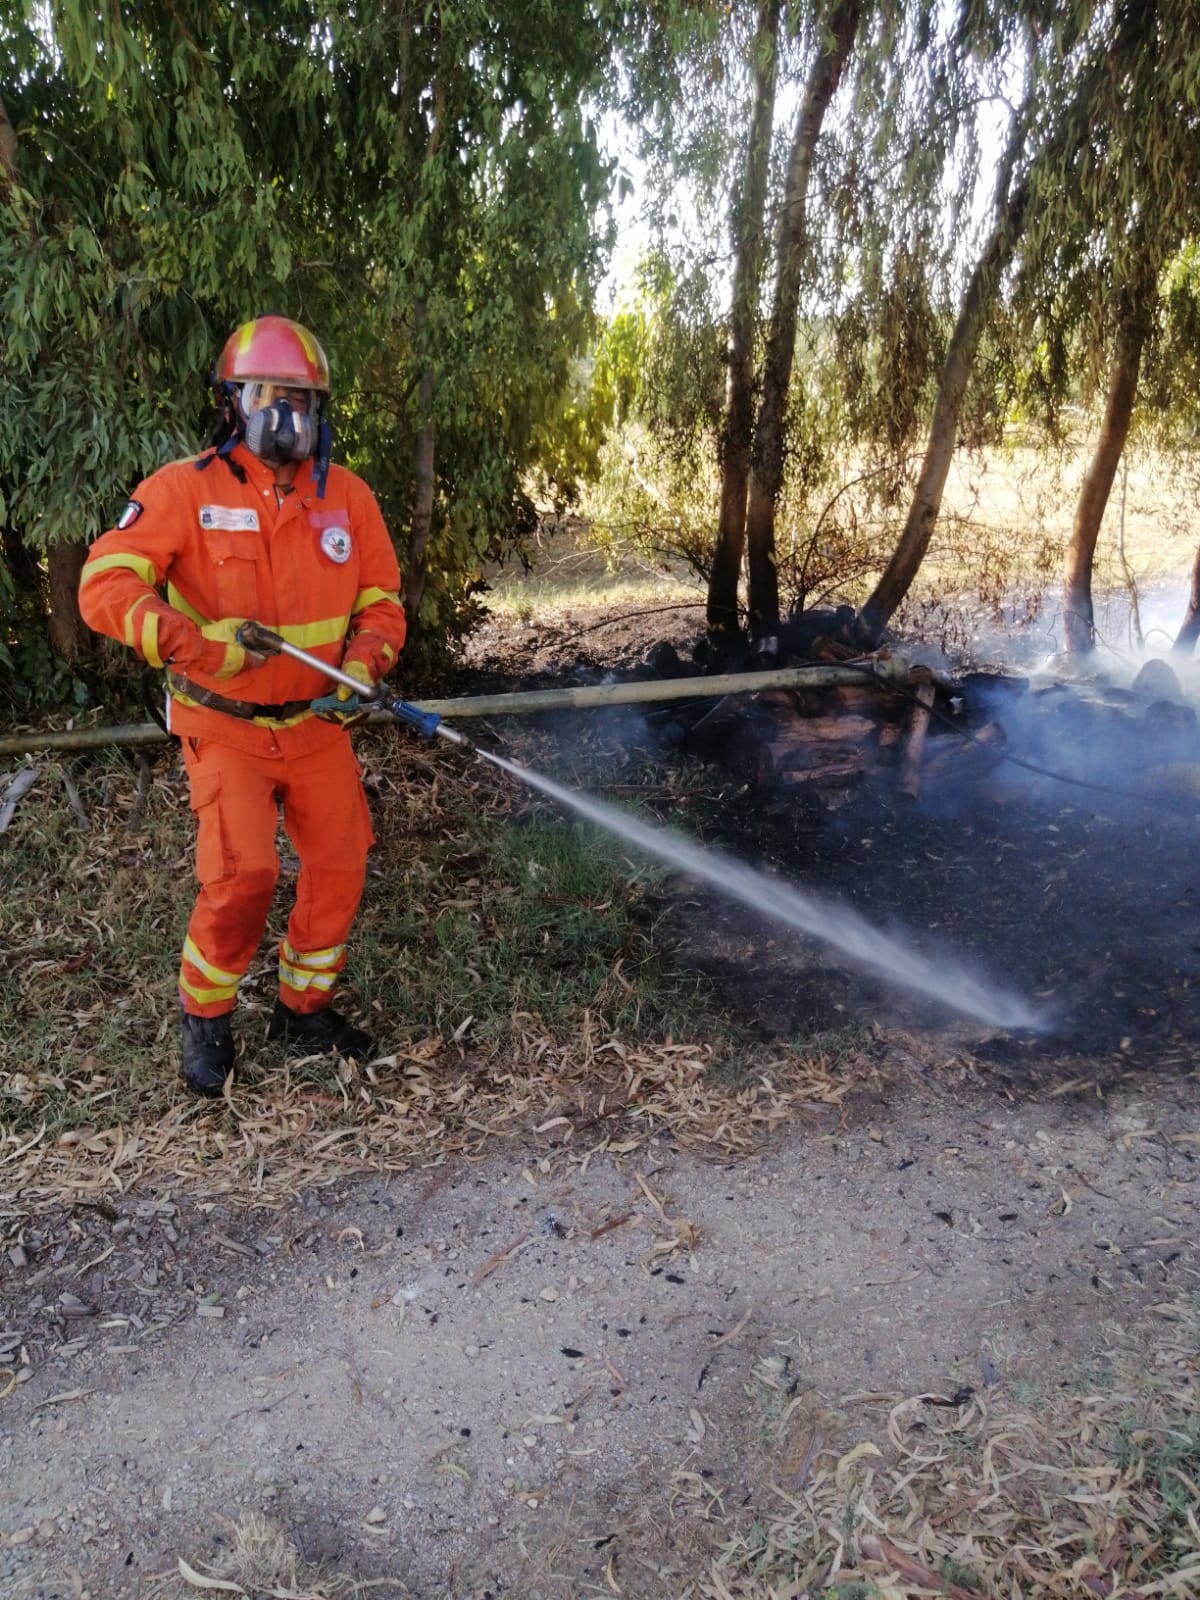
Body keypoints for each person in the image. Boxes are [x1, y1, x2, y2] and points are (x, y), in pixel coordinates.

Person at [79, 315, 407, 1096]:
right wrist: (193, 644)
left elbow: (383, 606)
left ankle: (303, 1005)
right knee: (243, 874)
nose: (286, 415)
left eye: (301, 398)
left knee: (339, 860)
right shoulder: (183, 489)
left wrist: (362, 668)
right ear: (233, 402)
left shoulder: (348, 500)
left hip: (316, 723)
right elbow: (103, 585)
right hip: (222, 724)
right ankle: (207, 1017)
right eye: (268, 394)